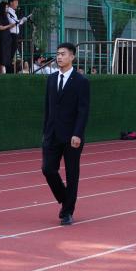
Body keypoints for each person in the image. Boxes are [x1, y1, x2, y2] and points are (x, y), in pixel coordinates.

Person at [39, 42, 90, 225]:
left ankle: (67, 211)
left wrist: (77, 133)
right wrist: (45, 132)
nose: (59, 57)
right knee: (48, 169)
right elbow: (48, 107)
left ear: (72, 57)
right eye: (58, 54)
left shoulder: (81, 81)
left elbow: (83, 110)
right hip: (52, 134)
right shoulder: (51, 79)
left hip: (72, 136)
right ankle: (65, 197)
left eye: (63, 54)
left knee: (72, 174)